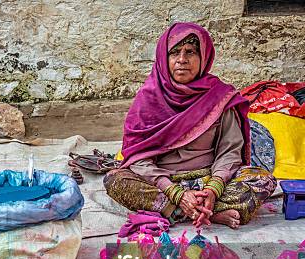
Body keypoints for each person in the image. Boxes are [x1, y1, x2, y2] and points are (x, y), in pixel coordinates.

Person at [104, 22, 276, 229]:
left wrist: (214, 188)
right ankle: (201, 212)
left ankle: (193, 209)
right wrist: (175, 192)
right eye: (174, 52)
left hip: (210, 179)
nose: (182, 60)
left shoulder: (220, 96)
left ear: (204, 57)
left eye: (191, 52)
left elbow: (230, 150)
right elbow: (139, 158)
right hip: (163, 182)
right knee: (115, 180)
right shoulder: (147, 99)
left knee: (262, 179)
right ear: (163, 58)